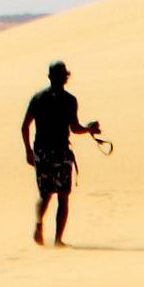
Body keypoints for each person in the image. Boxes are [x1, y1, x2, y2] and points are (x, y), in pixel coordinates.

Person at [21, 60, 99, 246]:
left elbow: (25, 126)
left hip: (42, 153)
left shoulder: (38, 98)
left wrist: (29, 151)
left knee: (45, 194)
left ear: (50, 77)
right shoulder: (69, 100)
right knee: (63, 196)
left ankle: (39, 224)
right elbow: (75, 128)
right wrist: (89, 129)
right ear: (65, 78)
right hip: (61, 152)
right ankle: (58, 240)